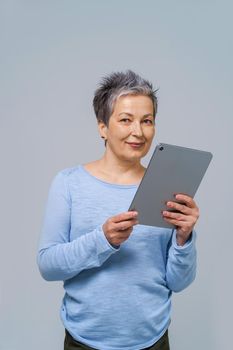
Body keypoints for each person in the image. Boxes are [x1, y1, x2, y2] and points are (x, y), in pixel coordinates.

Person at [37, 70, 199, 350]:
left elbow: (178, 282)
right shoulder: (69, 183)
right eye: (126, 120)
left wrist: (184, 240)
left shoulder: (168, 189)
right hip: (83, 342)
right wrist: (103, 240)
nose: (138, 132)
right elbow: (48, 265)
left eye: (146, 121)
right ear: (103, 127)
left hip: (153, 342)